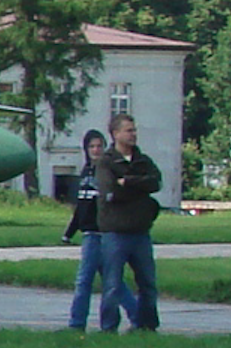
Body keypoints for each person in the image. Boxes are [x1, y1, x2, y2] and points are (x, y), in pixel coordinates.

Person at [63, 128, 138, 331]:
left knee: (84, 280)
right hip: (88, 231)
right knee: (113, 281)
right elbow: (81, 207)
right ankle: (139, 317)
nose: (95, 150)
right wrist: (69, 232)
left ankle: (76, 324)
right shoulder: (86, 172)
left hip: (103, 232)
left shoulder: (108, 170)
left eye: (99, 146)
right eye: (91, 146)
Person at [97, 113, 162, 333]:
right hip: (116, 231)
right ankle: (108, 328)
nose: (133, 134)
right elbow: (111, 192)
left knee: (148, 284)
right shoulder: (107, 162)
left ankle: (147, 326)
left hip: (140, 232)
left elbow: (155, 182)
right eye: (128, 130)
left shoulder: (142, 160)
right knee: (113, 284)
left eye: (134, 130)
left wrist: (130, 182)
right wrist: (138, 190)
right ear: (116, 134)